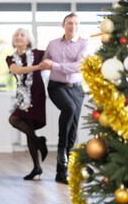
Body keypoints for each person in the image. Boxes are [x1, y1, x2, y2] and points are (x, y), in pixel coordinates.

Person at [39, 13, 89, 184]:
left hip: (77, 89)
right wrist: (45, 77)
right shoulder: (52, 44)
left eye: (76, 24)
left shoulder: (84, 44)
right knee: (69, 108)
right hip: (56, 86)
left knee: (73, 131)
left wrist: (57, 66)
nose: (72, 27)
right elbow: (44, 64)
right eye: (69, 23)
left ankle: (61, 173)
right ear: (63, 25)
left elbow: (79, 66)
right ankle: (61, 149)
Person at [6, 28, 47, 180]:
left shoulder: (38, 54)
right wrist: (38, 67)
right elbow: (16, 71)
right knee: (15, 120)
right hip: (22, 95)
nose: (18, 37)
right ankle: (39, 144)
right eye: (16, 34)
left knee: (26, 125)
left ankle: (36, 167)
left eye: (22, 35)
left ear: (28, 40)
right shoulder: (10, 58)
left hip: (36, 93)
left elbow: (53, 56)